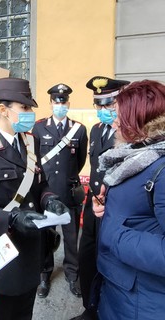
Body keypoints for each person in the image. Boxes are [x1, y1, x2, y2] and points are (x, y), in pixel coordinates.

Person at [0, 77, 69, 320]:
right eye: (25, 107)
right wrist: (11, 218)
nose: (31, 113)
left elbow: (41, 185)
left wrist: (50, 199)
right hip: (2, 255)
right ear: (3, 110)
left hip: (33, 251)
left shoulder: (31, 141)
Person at [94, 80, 165, 319]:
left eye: (120, 116)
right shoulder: (138, 156)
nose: (114, 122)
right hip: (121, 291)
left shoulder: (161, 168)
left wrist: (116, 234)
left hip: (142, 303)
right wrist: (111, 210)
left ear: (141, 121)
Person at [70, 76, 130, 320]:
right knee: (87, 255)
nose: (104, 111)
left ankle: (106, 309)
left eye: (109, 105)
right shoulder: (95, 130)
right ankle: (89, 307)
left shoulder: (128, 131)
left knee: (109, 260)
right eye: (100, 106)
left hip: (113, 207)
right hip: (92, 203)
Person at [32, 83, 88, 298]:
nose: (60, 105)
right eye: (56, 102)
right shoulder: (39, 128)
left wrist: (67, 177)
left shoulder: (79, 129)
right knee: (46, 236)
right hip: (46, 194)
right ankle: (44, 274)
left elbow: (80, 160)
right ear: (51, 103)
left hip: (69, 192)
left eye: (63, 102)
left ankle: (72, 275)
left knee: (71, 237)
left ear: (68, 104)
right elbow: (35, 157)